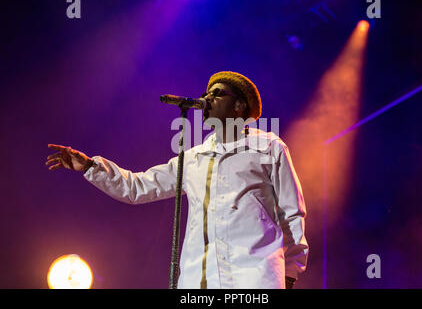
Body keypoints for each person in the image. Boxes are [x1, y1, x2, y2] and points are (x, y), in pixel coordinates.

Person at [46, 71, 308, 289]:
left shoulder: (269, 148)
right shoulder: (193, 158)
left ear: (239, 106)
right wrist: (90, 167)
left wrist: (290, 272)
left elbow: (292, 213)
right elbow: (137, 187)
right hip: (200, 280)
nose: (206, 98)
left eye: (216, 93)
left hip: (255, 277)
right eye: (206, 93)